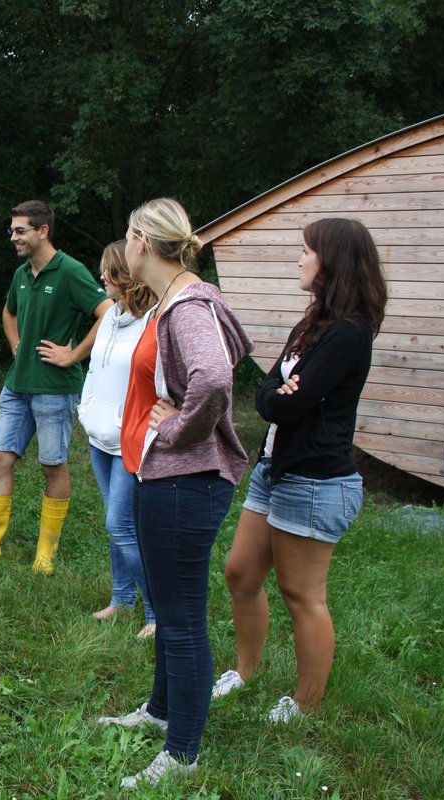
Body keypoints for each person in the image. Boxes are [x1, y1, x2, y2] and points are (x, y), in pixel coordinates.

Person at [96, 198, 253, 789]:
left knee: (182, 618)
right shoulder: (174, 300)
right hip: (165, 476)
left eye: (127, 235)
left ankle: (182, 752)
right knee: (168, 605)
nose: (123, 245)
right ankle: (161, 711)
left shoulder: (187, 305)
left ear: (142, 241)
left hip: (187, 480)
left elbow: (213, 378)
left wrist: (178, 428)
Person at [214, 218, 386, 723]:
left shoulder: (349, 334)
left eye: (307, 251)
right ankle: (245, 671)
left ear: (332, 262)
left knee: (301, 595)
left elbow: (288, 405)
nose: (299, 259)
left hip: (315, 480)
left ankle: (305, 705)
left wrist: (281, 397)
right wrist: (279, 394)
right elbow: (267, 392)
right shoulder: (312, 325)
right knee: (240, 572)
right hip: (276, 470)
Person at [0, 200, 112, 574]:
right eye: (12, 230)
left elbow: (108, 312)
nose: (13, 237)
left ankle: (45, 554)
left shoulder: (70, 271)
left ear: (43, 231)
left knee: (52, 465)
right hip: (17, 384)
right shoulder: (21, 273)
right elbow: (9, 312)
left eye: (20, 230)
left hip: (54, 387)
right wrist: (16, 344)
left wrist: (74, 354)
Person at [78, 241, 156, 638]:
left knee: (120, 524)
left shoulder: (154, 321)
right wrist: (86, 409)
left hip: (131, 440)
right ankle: (122, 598)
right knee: (117, 523)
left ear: (127, 275)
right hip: (99, 436)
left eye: (108, 270)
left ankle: (158, 613)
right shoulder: (111, 315)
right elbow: (95, 369)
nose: (101, 277)